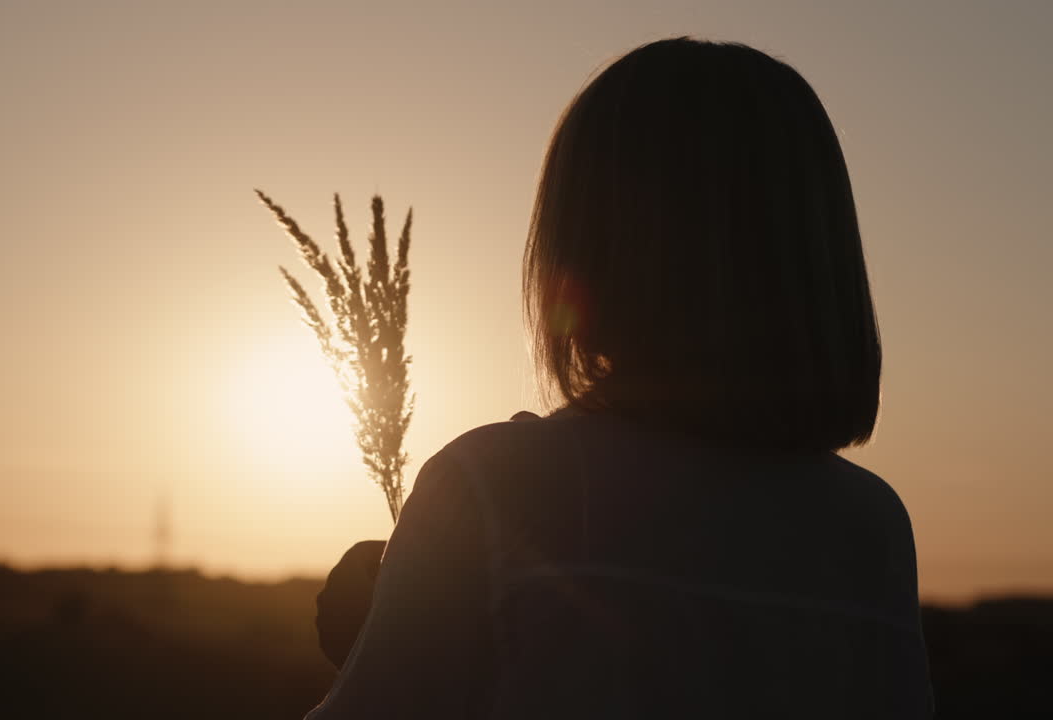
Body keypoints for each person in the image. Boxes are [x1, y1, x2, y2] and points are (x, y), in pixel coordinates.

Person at [306, 37, 934, 718]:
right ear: (819, 259)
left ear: (581, 251)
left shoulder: (496, 486)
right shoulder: (870, 528)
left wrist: (375, 632)